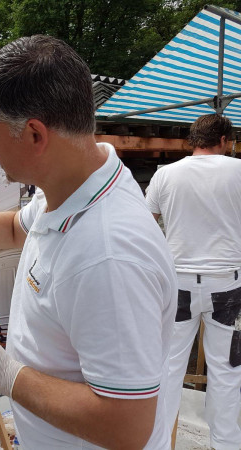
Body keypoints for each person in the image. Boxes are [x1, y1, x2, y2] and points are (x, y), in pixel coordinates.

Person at [0, 34, 177, 448]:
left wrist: (7, 373)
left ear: (35, 135)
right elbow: (14, 229)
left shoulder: (109, 255)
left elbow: (126, 427)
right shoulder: (68, 187)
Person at [145, 113, 241, 450]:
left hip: (178, 283)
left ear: (194, 140)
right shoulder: (239, 171)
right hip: (228, 286)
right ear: (225, 141)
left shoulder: (165, 175)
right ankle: (225, 444)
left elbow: (145, 225)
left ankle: (156, 443)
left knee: (168, 367)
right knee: (227, 369)